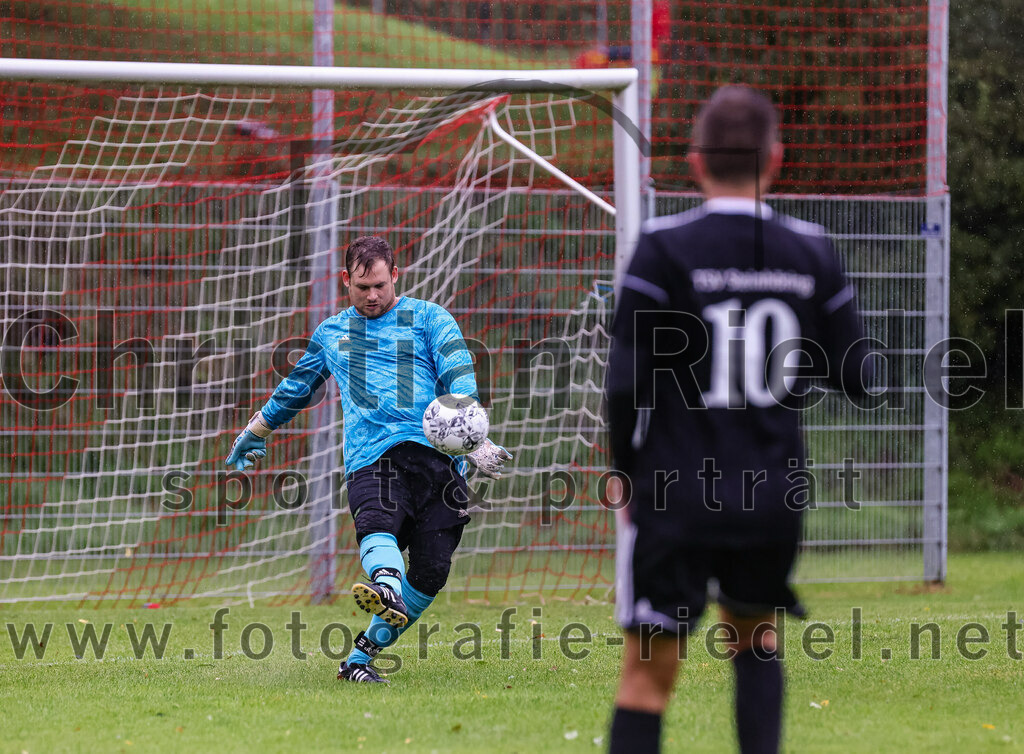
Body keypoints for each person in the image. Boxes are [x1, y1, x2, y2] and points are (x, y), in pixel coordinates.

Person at [605, 86, 871, 753]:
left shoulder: (663, 248)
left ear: (695, 160)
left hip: (676, 492)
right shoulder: (811, 251)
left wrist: (625, 472)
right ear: (776, 159)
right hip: (770, 494)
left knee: (646, 675)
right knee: (756, 639)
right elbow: (860, 377)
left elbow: (624, 384)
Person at [225, 235, 512, 684]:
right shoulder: (332, 333)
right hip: (372, 457)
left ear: (395, 275)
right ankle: (386, 585)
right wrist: (254, 432)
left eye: (380, 285)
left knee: (432, 571)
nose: (372, 295)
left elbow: (459, 373)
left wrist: (474, 438)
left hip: (437, 463)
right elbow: (296, 388)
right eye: (362, 287)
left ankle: (358, 659)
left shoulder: (429, 318)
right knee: (379, 521)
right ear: (346, 280)